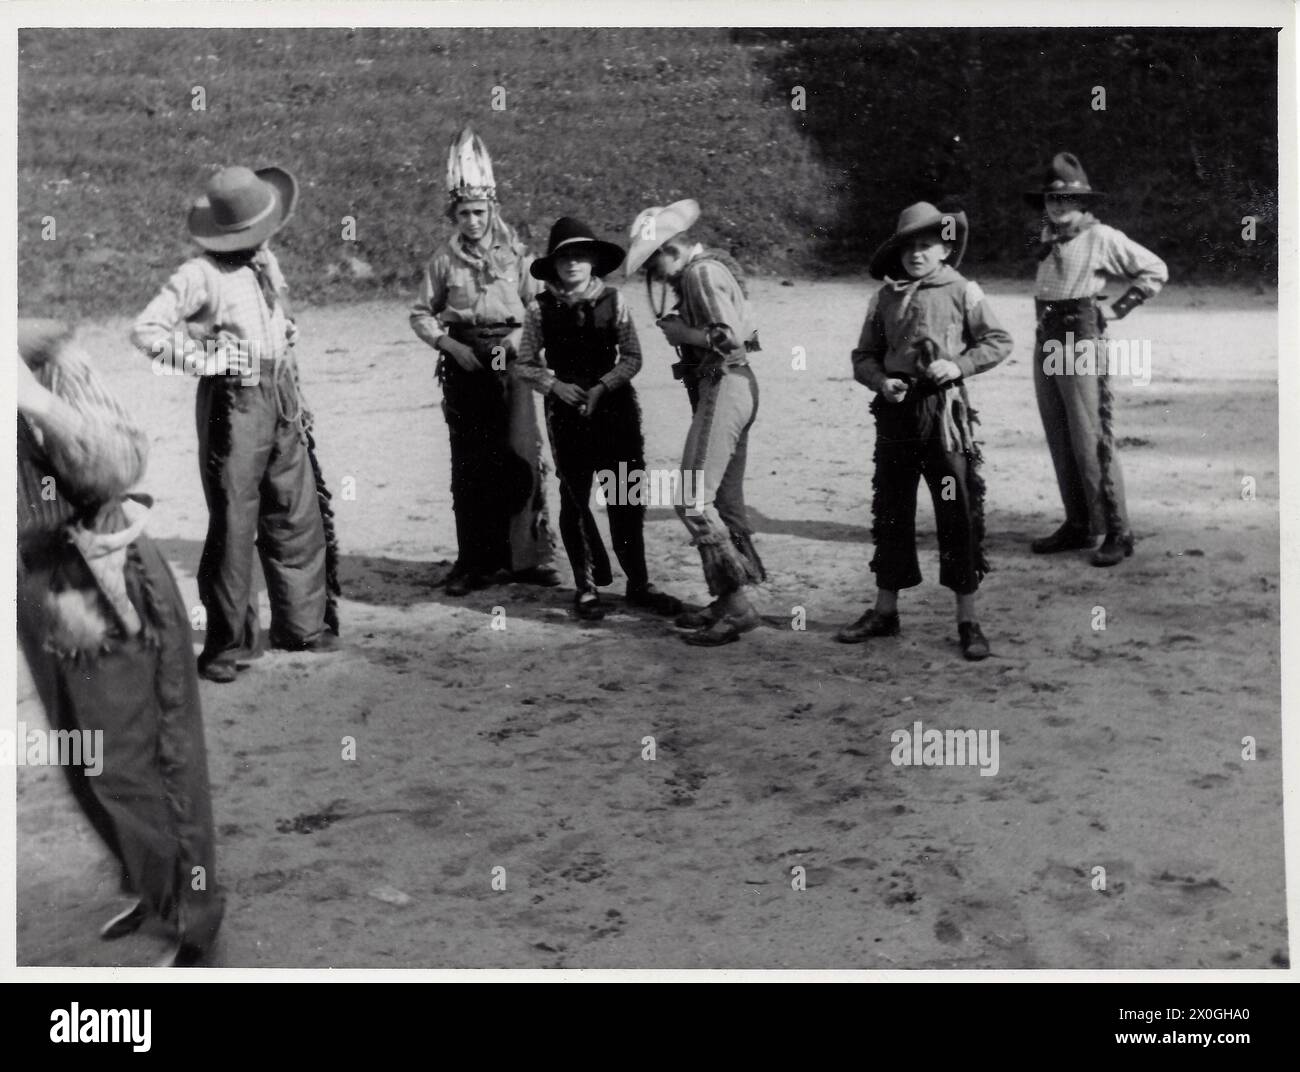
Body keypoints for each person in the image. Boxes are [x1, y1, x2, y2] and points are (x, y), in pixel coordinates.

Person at [17, 319, 225, 967]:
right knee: (85, 759)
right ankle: (153, 887)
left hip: (96, 569)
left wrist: (32, 400)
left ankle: (195, 920)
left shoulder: (47, 356)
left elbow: (124, 459)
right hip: (37, 581)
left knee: (138, 756)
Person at [131, 164, 341, 684]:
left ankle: (302, 625)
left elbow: (278, 320)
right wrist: (206, 360)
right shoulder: (199, 274)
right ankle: (229, 645)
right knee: (235, 522)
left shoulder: (265, 262)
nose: (261, 238)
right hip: (236, 402)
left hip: (282, 396)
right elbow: (146, 330)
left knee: (295, 512)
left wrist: (286, 330)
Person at [838, 202, 1012, 660]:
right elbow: (863, 356)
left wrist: (957, 365)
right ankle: (885, 611)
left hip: (944, 415)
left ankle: (967, 619)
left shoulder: (963, 290)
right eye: (908, 247)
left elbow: (998, 341)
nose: (916, 254)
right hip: (896, 411)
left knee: (956, 511)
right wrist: (881, 381)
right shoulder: (884, 296)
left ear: (944, 249)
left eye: (926, 245)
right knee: (891, 508)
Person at [409, 125, 560, 596]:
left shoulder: (517, 256)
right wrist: (450, 347)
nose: (473, 221)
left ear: (492, 209)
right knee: (471, 461)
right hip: (465, 361)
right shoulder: (443, 262)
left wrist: (527, 348)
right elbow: (420, 313)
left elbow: (539, 305)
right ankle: (475, 560)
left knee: (520, 455)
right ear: (453, 215)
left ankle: (528, 557)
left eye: (479, 211)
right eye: (464, 213)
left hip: (511, 361)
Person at [514, 217, 683, 621]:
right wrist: (555, 386)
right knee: (575, 497)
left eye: (580, 256)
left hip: (614, 407)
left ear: (593, 261)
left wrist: (605, 385)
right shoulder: (539, 309)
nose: (572, 264)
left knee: (625, 494)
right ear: (553, 265)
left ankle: (639, 583)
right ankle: (586, 586)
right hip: (566, 410)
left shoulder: (614, 300)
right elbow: (524, 364)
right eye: (564, 257)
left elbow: (633, 356)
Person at [624, 200, 765, 647]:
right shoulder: (710, 269)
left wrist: (682, 334)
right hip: (733, 385)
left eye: (656, 260)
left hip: (723, 382)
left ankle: (737, 603)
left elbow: (728, 338)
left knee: (691, 497)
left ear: (670, 248)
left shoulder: (700, 274)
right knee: (723, 500)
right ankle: (728, 600)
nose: (657, 273)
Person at [1025, 152, 1168, 566]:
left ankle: (1118, 531)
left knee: (1090, 437)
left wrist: (1118, 309)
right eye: (1052, 200)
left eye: (1068, 201)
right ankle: (1080, 523)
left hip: (1080, 340)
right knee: (1060, 431)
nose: (1058, 207)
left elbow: (1154, 269)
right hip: (1048, 338)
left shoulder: (1101, 236)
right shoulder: (1049, 236)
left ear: (1084, 203)